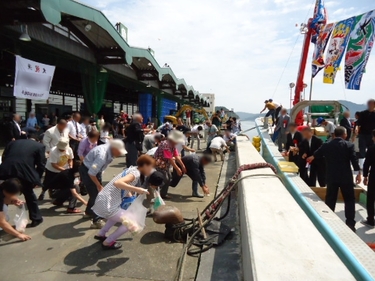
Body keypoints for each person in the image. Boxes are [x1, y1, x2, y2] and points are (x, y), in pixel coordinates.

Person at [92, 155, 158, 249]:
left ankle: (101, 234)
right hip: (108, 204)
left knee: (118, 216)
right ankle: (108, 242)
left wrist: (132, 197)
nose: (152, 170)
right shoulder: (136, 174)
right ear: (145, 166)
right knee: (131, 224)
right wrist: (137, 189)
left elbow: (124, 187)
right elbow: (118, 183)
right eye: (151, 167)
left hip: (104, 201)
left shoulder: (132, 169)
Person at [307, 127, 361, 232]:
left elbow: (317, 154)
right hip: (346, 177)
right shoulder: (349, 145)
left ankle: (329, 223)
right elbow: (354, 161)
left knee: (330, 199)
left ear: (334, 135)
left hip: (332, 177)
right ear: (344, 135)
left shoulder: (327, 145)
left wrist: (311, 157)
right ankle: (350, 223)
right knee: (349, 200)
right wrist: (358, 174)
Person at [79, 139, 127, 228]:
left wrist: (99, 178)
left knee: (95, 193)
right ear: (114, 149)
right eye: (119, 152)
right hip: (88, 171)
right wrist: (99, 185)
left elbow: (98, 169)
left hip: (95, 170)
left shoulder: (110, 151)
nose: (120, 154)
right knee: (97, 195)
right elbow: (91, 173)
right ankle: (96, 221)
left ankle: (88, 212)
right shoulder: (102, 155)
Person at [0, 137, 46, 227]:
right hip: (24, 172)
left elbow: (4, 156)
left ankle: (2, 218)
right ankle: (36, 218)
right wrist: (37, 180)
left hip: (6, 169)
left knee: (4, 193)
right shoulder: (39, 146)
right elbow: (41, 165)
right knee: (29, 194)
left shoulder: (12, 143)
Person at [154, 130, 186, 199]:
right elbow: (170, 158)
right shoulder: (165, 144)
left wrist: (182, 166)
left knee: (168, 178)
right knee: (164, 179)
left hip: (166, 165)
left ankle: (163, 194)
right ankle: (156, 194)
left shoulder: (172, 145)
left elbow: (176, 156)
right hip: (159, 164)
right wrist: (177, 169)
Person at [356, 99, 375, 169]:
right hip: (363, 134)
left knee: (372, 150)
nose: (369, 105)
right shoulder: (363, 113)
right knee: (362, 149)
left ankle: (372, 164)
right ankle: (361, 165)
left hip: (373, 135)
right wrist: (356, 128)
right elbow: (358, 123)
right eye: (368, 103)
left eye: (371, 103)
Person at [362, 129, 375, 227]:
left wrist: (365, 176)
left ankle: (371, 219)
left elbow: (366, 164)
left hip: (374, 177)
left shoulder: (371, 149)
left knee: (371, 198)